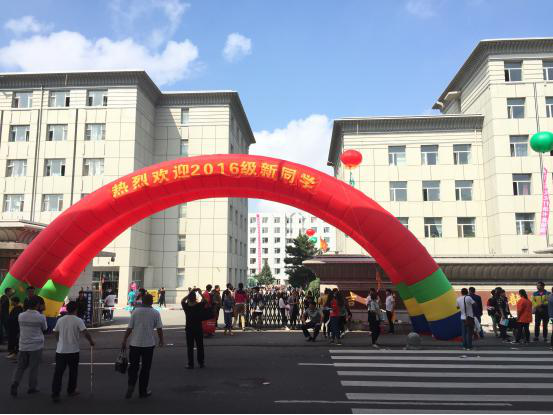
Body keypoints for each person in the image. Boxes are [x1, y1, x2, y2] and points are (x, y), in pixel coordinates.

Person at [51, 301, 95, 403]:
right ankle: (71, 390)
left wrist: (59, 341)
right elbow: (85, 332)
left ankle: (55, 394)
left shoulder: (60, 320)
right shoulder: (78, 320)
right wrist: (91, 341)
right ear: (76, 309)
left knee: (58, 373)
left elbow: (55, 332)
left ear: (67, 309)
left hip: (61, 351)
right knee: (73, 371)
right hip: (73, 351)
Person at [121, 294, 164, 399]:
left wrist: (124, 340)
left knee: (133, 367)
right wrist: (161, 340)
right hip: (148, 345)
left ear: (142, 301)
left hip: (135, 344)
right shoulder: (155, 313)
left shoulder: (135, 312)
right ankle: (142, 391)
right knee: (145, 368)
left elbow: (129, 328)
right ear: (151, 302)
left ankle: (131, 385)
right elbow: (159, 328)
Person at [10, 298, 47, 397]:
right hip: (36, 346)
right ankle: (32, 387)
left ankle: (15, 383)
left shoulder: (21, 315)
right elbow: (45, 328)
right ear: (37, 305)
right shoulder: (41, 317)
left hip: (23, 345)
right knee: (33, 368)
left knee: (20, 367)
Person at [182, 290, 207, 369]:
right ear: (195, 298)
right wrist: (200, 293)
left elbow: (182, 300)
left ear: (189, 298)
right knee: (200, 346)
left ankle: (190, 364)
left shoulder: (186, 306)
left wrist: (189, 293)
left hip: (189, 328)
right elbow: (205, 301)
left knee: (190, 347)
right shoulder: (199, 305)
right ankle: (201, 363)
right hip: (198, 328)